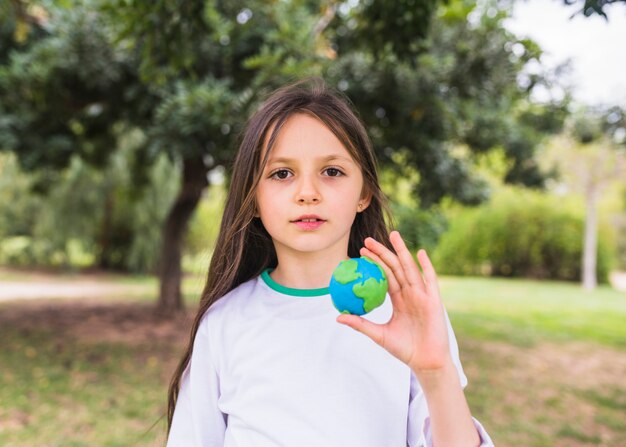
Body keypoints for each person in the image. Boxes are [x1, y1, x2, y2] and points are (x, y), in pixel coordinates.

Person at [166, 78, 494, 447]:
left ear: (364, 192)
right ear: (253, 197)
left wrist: (437, 373)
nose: (308, 193)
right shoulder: (224, 322)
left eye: (332, 172)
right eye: (281, 174)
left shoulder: (408, 314)